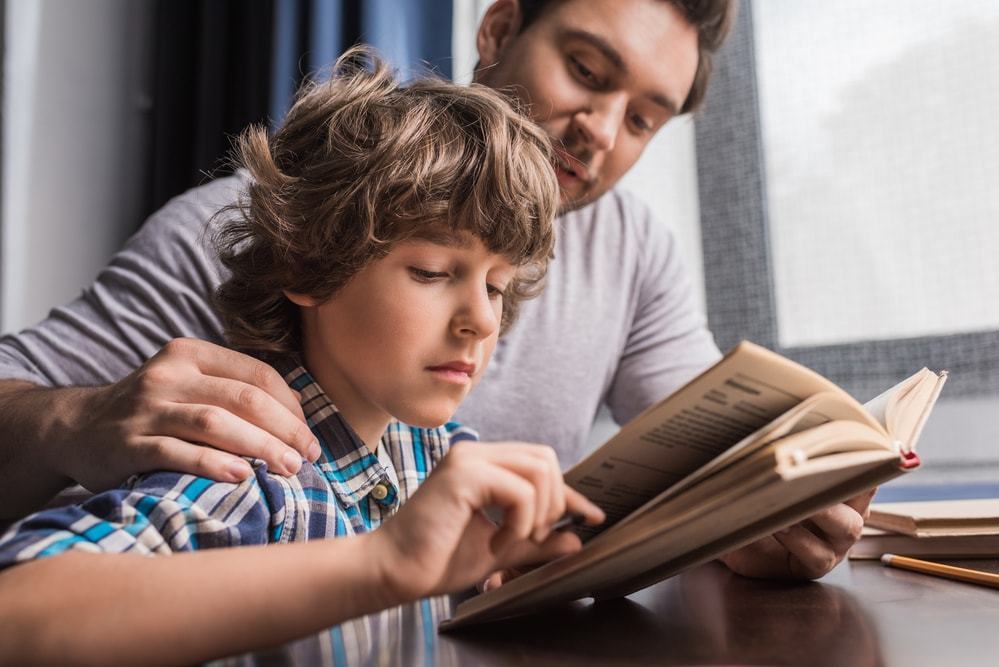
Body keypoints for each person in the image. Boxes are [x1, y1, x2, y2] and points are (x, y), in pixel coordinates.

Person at [0, 0, 869, 581]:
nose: (599, 131)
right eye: (586, 70)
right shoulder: (251, 222)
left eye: (642, 117)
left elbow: (703, 448)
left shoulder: (634, 249)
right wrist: (73, 421)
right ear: (496, 28)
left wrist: (752, 512)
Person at [0, 49, 605, 664]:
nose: (481, 318)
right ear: (308, 266)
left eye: (496, 286)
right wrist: (382, 561)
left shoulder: (448, 459)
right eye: (431, 271)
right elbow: (17, 613)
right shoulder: (251, 475)